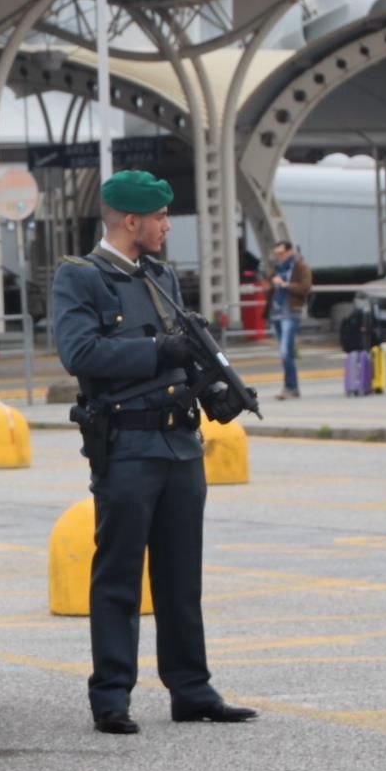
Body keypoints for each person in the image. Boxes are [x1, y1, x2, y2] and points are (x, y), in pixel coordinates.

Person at [48, 171, 257, 735]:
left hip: (180, 443)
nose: (168, 225)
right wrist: (157, 349)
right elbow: (80, 352)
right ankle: (111, 696)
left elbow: (181, 354)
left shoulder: (160, 276)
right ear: (132, 221)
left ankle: (192, 689)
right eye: (161, 216)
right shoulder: (81, 279)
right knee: (118, 574)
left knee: (181, 574)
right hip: (128, 445)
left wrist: (212, 387)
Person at [264, 241, 313, 400]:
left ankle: (290, 387)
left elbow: (305, 287)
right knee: (285, 352)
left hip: (291, 313)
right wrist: (271, 284)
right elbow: (268, 286)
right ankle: (292, 387)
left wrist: (285, 285)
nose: (278, 257)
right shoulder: (277, 269)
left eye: (281, 253)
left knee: (286, 351)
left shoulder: (300, 267)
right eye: (276, 254)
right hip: (277, 313)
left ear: (290, 252)